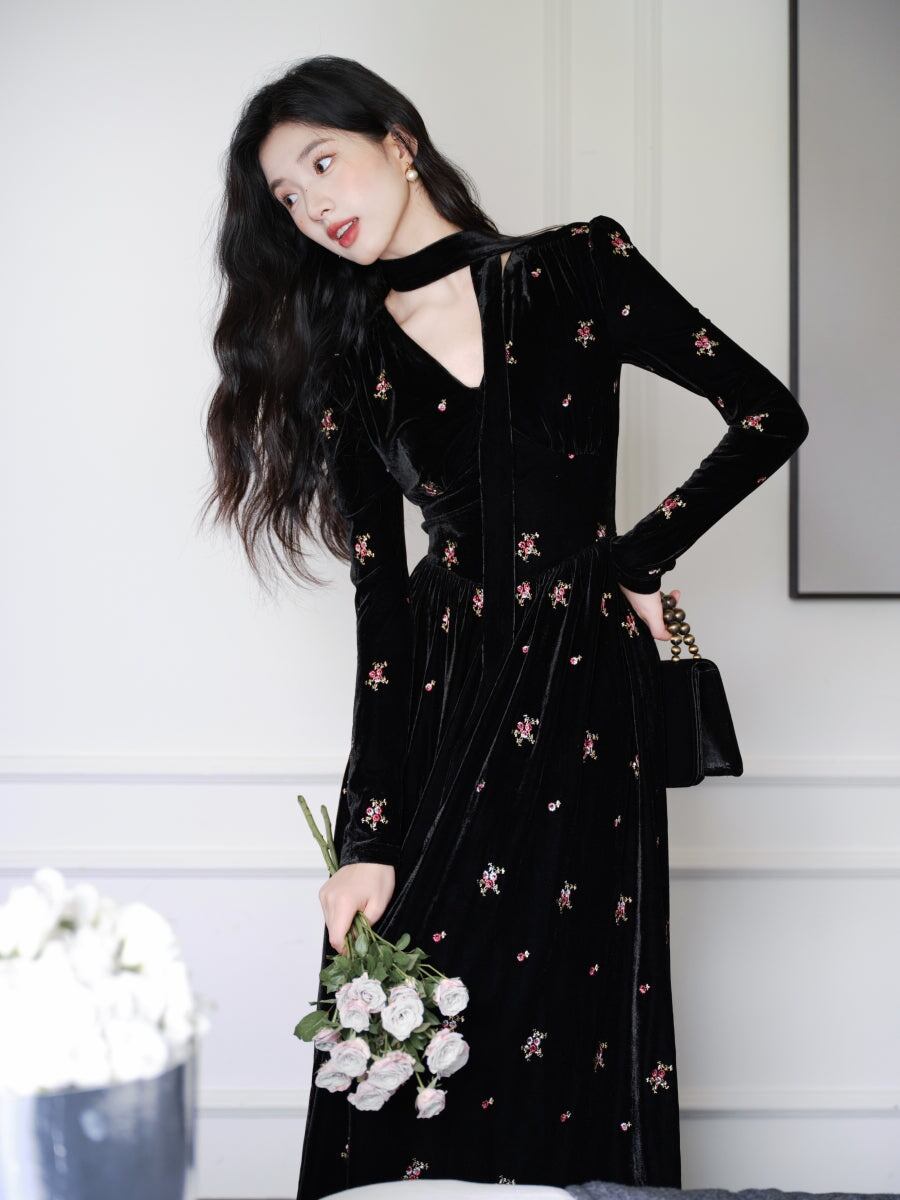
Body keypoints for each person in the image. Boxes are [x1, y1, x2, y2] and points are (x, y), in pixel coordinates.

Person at [202, 54, 809, 1200]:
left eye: (322, 163)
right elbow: (382, 612)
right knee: (403, 1036)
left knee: (567, 1030)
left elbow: (767, 414)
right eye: (285, 195)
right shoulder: (347, 366)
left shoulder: (577, 268)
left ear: (398, 142)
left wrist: (633, 559)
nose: (312, 205)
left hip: (585, 703)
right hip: (447, 706)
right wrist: (366, 837)